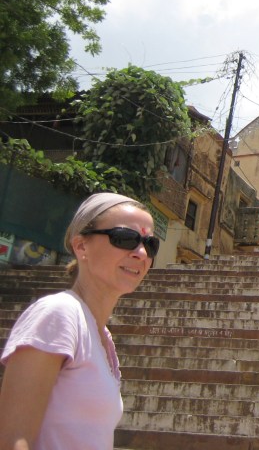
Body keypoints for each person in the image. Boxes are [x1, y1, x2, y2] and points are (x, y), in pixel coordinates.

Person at [0, 192, 159, 450]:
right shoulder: (58, 314)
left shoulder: (102, 336)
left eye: (150, 244)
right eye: (125, 239)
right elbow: (12, 441)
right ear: (81, 246)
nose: (141, 253)